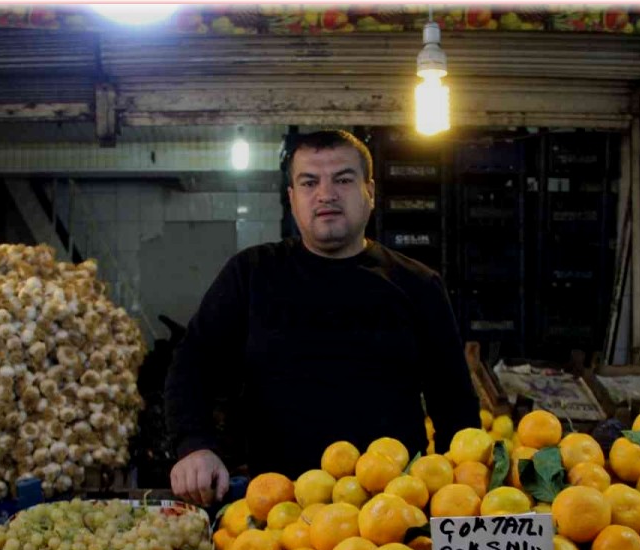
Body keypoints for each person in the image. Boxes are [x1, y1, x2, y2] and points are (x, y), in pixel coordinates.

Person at [165, 130, 481, 505]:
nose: (326, 194)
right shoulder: (252, 274)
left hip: (394, 517)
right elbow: (192, 363)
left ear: (371, 192)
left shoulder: (418, 284)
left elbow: (455, 405)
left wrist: (459, 496)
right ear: (292, 199)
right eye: (309, 182)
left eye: (343, 180)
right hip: (278, 514)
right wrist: (194, 444)